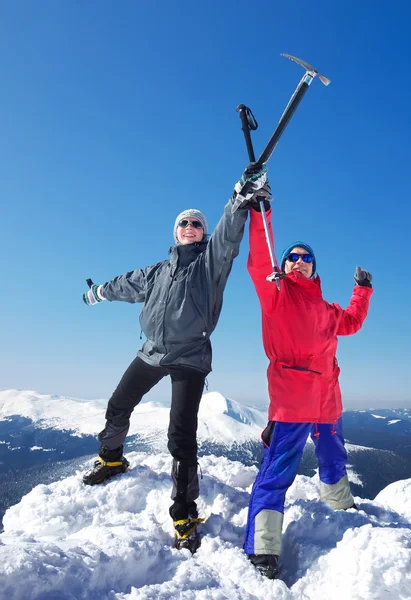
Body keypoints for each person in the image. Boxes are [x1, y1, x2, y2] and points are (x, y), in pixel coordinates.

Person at [81, 164, 268, 552]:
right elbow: (124, 284)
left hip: (189, 358)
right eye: (183, 223)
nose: (189, 227)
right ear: (175, 231)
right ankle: (112, 458)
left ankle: (184, 512)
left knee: (180, 435)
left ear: (202, 233)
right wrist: (97, 293)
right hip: (151, 352)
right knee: (118, 404)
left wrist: (238, 199)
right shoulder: (158, 271)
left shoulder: (210, 264)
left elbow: (229, 236)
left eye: (196, 224)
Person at [243, 188, 373, 578]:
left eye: (306, 257)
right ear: (285, 265)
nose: (298, 261)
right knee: (278, 470)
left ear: (315, 269)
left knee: (333, 458)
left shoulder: (326, 308)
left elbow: (351, 322)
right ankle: (263, 546)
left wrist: (362, 291)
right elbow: (260, 259)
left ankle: (341, 508)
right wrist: (260, 210)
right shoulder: (276, 294)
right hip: (293, 399)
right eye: (293, 257)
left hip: (328, 400)